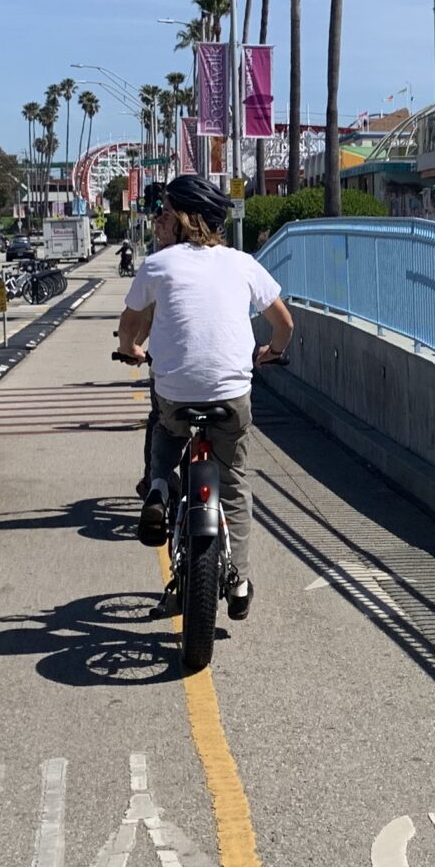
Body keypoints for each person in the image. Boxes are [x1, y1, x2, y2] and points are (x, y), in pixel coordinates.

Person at [114, 174, 293, 619]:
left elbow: (129, 322)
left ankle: (158, 489)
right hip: (232, 394)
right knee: (234, 483)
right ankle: (239, 581)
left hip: (175, 393)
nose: (162, 219)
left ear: (182, 218)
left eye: (166, 212)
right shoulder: (242, 262)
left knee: (165, 433)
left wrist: (130, 350)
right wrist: (272, 352)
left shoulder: (158, 265)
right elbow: (285, 324)